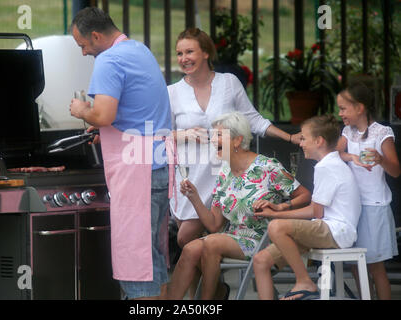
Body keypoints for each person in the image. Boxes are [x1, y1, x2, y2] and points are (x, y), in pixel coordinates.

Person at [69, 7, 173, 300]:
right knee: (153, 257)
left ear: (97, 36)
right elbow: (137, 113)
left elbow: (102, 114)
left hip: (137, 174)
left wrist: (81, 110)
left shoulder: (109, 59)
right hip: (159, 166)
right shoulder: (138, 50)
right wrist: (107, 134)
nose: (83, 52)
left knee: (135, 261)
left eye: (83, 45)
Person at [168, 28, 302, 249]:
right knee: (191, 243)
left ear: (206, 53)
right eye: (179, 54)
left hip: (228, 174)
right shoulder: (172, 92)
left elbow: (254, 120)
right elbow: (158, 134)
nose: (184, 59)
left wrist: (289, 137)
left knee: (187, 238)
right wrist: (184, 134)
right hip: (191, 176)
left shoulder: (228, 82)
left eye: (189, 51)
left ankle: (214, 285)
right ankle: (216, 285)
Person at [166, 112, 311, 300]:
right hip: (232, 236)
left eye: (219, 135)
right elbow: (214, 225)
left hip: (264, 237)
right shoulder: (224, 172)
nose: (213, 140)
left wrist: (283, 207)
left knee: (211, 242)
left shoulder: (267, 167)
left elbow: (305, 195)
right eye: (213, 135)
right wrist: (194, 197)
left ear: (237, 141)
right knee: (190, 249)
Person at [253, 115, 362, 300]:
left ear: (319, 141)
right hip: (324, 227)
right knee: (261, 260)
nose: (300, 143)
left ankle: (304, 281)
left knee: (276, 227)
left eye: (303, 138)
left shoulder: (327, 167)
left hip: (336, 230)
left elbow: (316, 212)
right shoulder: (328, 164)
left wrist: (276, 215)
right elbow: (315, 211)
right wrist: (279, 209)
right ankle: (302, 281)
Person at [336, 82, 400, 300]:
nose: (340, 113)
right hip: (352, 206)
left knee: (375, 266)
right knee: (356, 265)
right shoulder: (348, 132)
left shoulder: (381, 132)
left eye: (344, 108)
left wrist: (380, 159)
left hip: (374, 207)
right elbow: (335, 153)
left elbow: (395, 171)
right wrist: (351, 156)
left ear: (360, 108)